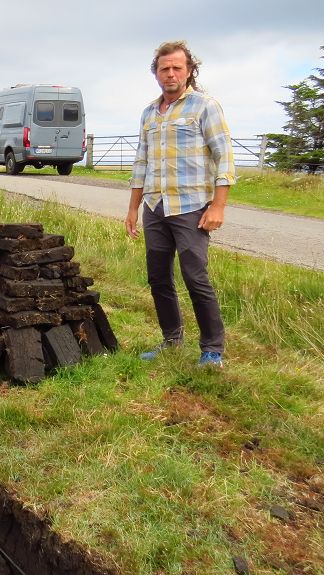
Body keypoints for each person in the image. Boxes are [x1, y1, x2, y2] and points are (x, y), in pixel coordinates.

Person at [124, 40, 234, 368]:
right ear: (156, 73)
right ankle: (171, 340)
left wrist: (218, 206)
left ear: (188, 71)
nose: (170, 74)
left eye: (177, 68)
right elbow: (141, 163)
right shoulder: (148, 113)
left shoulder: (205, 106)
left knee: (194, 276)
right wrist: (133, 209)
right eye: (164, 68)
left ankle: (212, 350)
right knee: (158, 277)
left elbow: (224, 157)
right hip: (155, 208)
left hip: (192, 207)